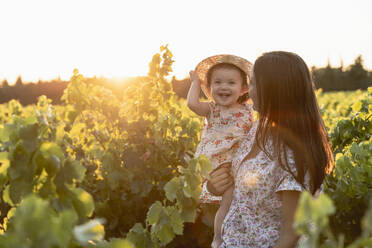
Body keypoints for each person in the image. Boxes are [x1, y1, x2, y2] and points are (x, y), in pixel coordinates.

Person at [205, 51, 334, 248]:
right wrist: (214, 186)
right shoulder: (259, 127)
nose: (249, 90)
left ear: (275, 89)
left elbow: (291, 235)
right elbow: (238, 188)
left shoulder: (293, 153)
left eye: (255, 83)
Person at [187, 54, 254, 248]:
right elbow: (192, 104)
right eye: (217, 82)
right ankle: (218, 238)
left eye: (231, 82)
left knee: (234, 202)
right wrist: (195, 84)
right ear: (209, 87)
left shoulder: (248, 110)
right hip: (216, 161)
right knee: (227, 201)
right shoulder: (212, 109)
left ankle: (236, 236)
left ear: (244, 88)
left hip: (236, 164)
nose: (224, 87)